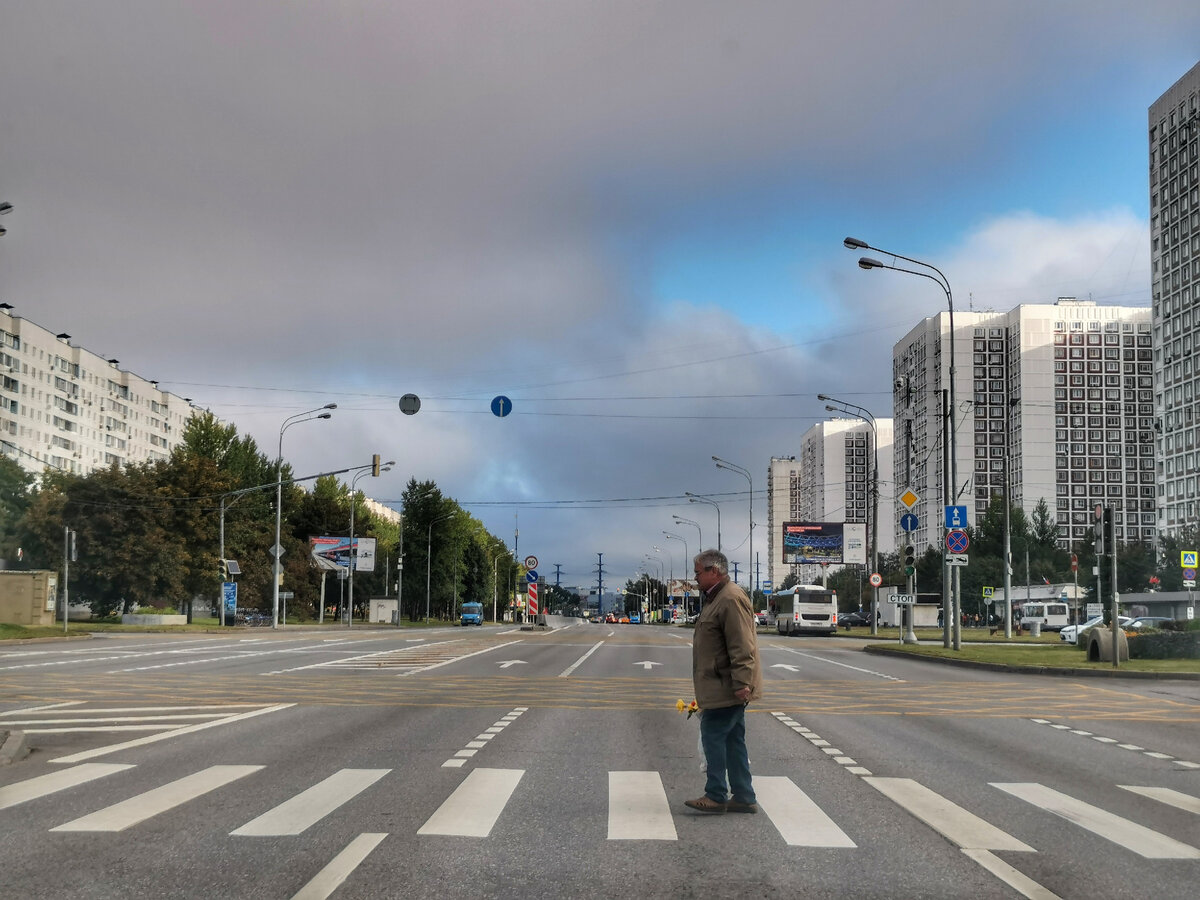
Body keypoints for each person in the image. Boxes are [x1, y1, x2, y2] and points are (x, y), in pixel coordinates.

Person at [685, 549, 763, 815]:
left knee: (713, 736)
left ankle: (716, 795)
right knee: (732, 741)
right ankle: (743, 796)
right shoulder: (716, 598)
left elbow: (742, 644)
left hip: (727, 686)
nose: (695, 577)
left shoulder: (729, 598)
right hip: (721, 684)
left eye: (698, 572)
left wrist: (742, 682)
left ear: (714, 571)